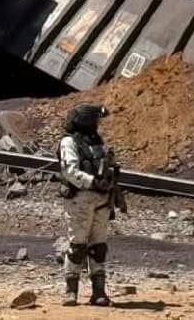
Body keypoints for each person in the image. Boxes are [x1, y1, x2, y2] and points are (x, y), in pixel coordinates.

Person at [58, 103, 122, 307]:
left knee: (99, 246)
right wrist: (93, 182)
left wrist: (110, 178)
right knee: (77, 245)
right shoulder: (69, 142)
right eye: (94, 120)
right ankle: (71, 291)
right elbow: (70, 171)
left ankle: (99, 292)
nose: (97, 124)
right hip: (80, 199)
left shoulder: (96, 142)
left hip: (101, 199)